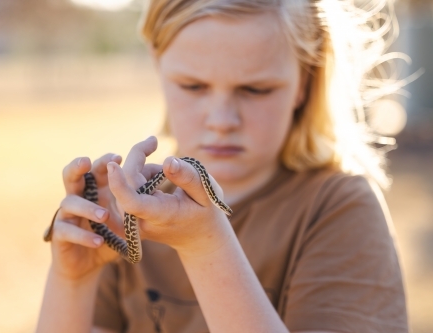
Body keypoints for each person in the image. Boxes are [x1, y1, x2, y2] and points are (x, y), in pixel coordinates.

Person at [36, 0, 409, 332]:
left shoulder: (338, 209)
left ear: (305, 80)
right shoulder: (123, 213)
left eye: (255, 89)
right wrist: (73, 282)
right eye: (193, 86)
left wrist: (205, 245)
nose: (222, 120)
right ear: (157, 62)